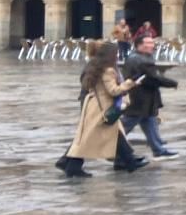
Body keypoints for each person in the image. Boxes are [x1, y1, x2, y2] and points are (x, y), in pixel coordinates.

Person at [56, 42, 145, 177]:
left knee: (107, 135)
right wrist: (131, 83)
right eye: (116, 53)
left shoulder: (94, 66)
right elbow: (113, 91)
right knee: (91, 137)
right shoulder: (107, 70)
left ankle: (128, 161)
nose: (118, 55)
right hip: (102, 107)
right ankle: (129, 162)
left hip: (93, 105)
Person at [121, 32, 179, 157]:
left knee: (150, 122)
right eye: (148, 43)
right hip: (140, 98)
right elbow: (152, 78)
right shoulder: (141, 60)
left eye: (152, 42)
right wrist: (171, 83)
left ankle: (158, 150)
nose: (152, 45)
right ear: (139, 45)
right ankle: (109, 144)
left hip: (144, 98)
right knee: (125, 125)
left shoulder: (137, 57)